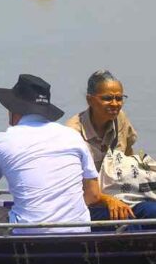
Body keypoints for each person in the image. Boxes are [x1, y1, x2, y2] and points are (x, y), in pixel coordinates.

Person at [0, 74, 102, 234]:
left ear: (14, 108)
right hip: (78, 233)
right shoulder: (73, 136)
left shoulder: (0, 142)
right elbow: (94, 195)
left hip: (28, 233)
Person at [66, 69, 156, 224]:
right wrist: (107, 200)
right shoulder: (72, 133)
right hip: (88, 202)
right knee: (126, 219)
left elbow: (129, 156)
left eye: (119, 98)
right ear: (90, 100)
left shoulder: (120, 118)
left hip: (124, 194)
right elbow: (70, 185)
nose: (115, 104)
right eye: (107, 98)